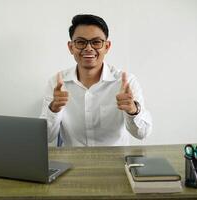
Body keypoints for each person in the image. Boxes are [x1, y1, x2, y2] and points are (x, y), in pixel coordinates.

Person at [40, 14, 152, 146]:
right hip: (73, 162)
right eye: (81, 42)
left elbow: (142, 134)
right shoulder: (56, 82)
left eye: (96, 42)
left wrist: (133, 110)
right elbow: (46, 137)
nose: (88, 48)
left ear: (107, 46)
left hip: (116, 162)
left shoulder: (126, 82)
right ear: (71, 47)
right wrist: (54, 109)